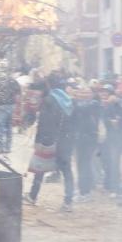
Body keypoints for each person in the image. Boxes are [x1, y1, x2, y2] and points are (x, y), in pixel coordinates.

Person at [26, 77, 75, 211]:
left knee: (41, 166)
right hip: (66, 138)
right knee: (65, 169)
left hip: (55, 140)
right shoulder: (58, 97)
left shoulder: (48, 102)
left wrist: (40, 141)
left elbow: (45, 124)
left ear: (40, 92)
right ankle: (68, 200)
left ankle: (34, 195)